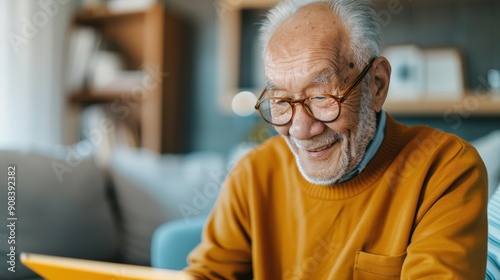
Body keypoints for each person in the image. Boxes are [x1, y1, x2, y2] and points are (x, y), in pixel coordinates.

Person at [184, 0, 488, 278]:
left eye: (321, 96)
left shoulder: (444, 169)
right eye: (280, 101)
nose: (301, 129)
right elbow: (208, 273)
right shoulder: (252, 174)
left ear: (377, 85)